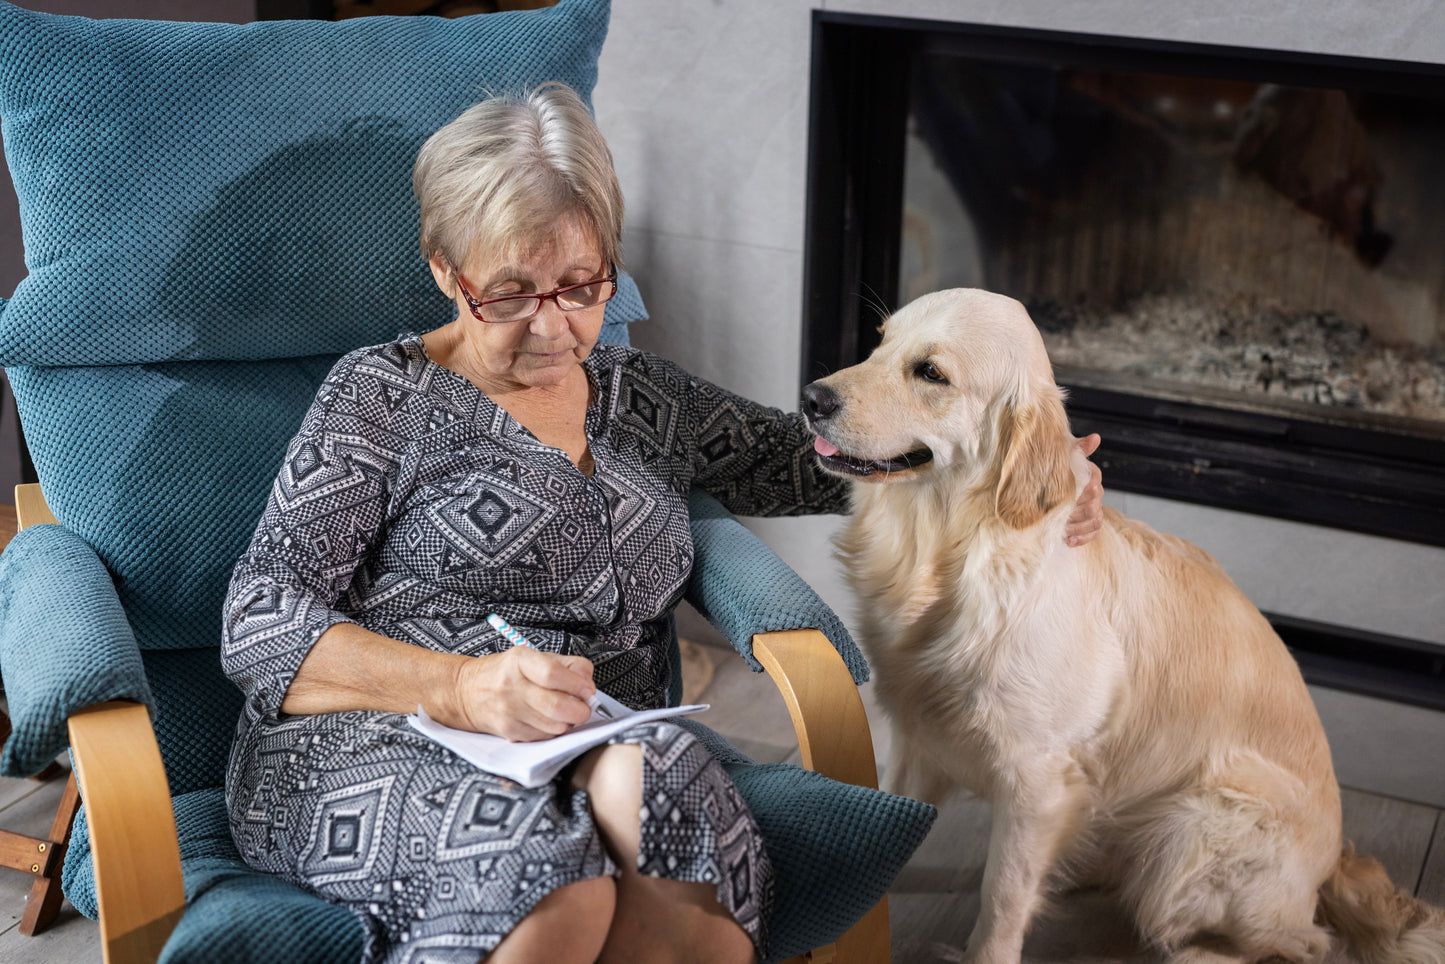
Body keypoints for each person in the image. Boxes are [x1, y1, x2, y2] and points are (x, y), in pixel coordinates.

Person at [221, 81, 1105, 964]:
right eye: (510, 295)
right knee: (549, 881)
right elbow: (259, 621)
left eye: (580, 286)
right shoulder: (380, 396)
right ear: (447, 273)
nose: (552, 328)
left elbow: (819, 454)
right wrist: (462, 688)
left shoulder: (644, 399)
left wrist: (1036, 466)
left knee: (676, 799)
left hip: (595, 731)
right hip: (380, 733)